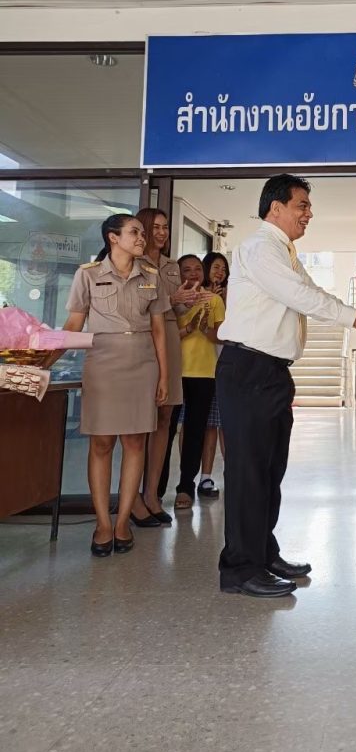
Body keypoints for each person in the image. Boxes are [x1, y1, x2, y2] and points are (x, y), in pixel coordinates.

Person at [216, 173, 356, 599]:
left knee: (270, 470)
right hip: (249, 369)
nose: (309, 214)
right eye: (302, 206)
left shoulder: (284, 252)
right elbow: (300, 295)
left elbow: (311, 290)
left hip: (272, 372)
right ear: (275, 208)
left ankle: (263, 553)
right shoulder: (260, 247)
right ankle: (240, 569)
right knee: (248, 472)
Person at [55, 215, 169, 556]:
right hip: (103, 365)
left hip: (142, 365)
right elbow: (74, 323)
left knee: (135, 442)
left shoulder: (151, 275)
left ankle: (122, 522)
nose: (142, 238)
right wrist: (43, 359)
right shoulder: (88, 274)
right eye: (135, 232)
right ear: (113, 237)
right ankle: (103, 523)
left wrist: (164, 375)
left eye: (143, 233)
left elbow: (159, 329)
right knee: (102, 443)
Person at [130, 208, 202, 527]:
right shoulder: (132, 263)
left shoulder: (172, 266)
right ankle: (131, 497)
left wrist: (188, 300)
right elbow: (135, 308)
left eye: (165, 227)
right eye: (156, 227)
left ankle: (151, 496)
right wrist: (171, 301)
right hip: (142, 339)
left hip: (170, 339)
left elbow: (178, 308)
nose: (162, 232)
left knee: (165, 416)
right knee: (138, 421)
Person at [171, 255, 225, 510]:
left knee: (195, 431)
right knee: (166, 431)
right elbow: (162, 334)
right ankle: (153, 492)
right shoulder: (172, 300)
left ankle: (186, 486)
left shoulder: (213, 300)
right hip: (173, 371)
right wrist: (188, 329)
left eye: (197, 269)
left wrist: (204, 329)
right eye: (186, 270)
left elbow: (221, 335)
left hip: (204, 373)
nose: (192, 273)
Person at [198, 251, 230, 498]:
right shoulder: (195, 295)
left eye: (223, 269)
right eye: (216, 267)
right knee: (209, 425)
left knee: (227, 425)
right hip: (202, 366)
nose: (220, 272)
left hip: (226, 365)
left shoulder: (231, 296)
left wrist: (224, 302)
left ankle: (233, 474)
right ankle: (205, 477)